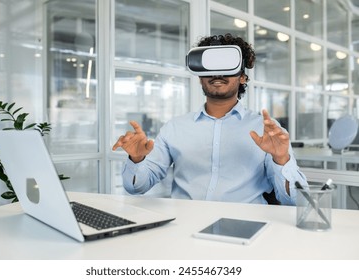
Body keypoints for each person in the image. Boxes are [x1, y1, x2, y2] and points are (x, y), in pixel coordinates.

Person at [112, 33, 307, 205]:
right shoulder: (175, 128)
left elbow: (295, 201)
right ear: (200, 76)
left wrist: (281, 159)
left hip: (246, 225)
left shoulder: (266, 131)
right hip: (184, 227)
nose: (217, 74)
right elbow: (136, 188)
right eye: (211, 66)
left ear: (242, 77)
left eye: (227, 65)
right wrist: (137, 159)